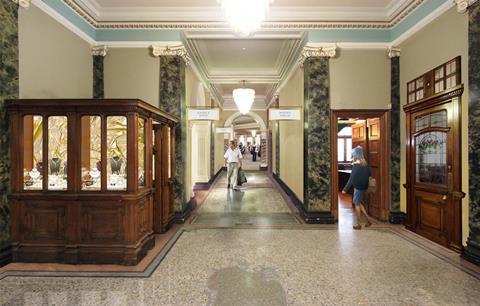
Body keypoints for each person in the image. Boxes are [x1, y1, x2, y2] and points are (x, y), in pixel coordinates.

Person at [342, 146, 372, 230]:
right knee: (358, 203)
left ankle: (358, 224)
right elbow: (370, 174)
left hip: (358, 187)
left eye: (353, 155)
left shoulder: (356, 166)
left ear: (355, 155)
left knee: (357, 204)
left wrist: (345, 189)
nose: (352, 157)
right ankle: (368, 220)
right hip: (364, 186)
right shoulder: (365, 164)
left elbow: (351, 179)